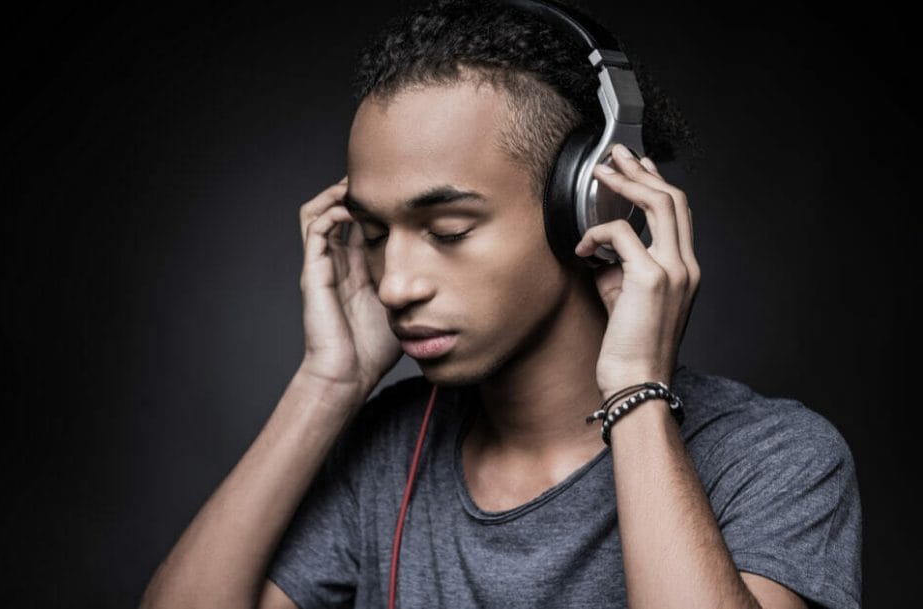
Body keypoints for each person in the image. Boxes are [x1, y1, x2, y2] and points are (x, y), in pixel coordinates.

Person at [138, 1, 862, 608]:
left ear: (590, 204)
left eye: (447, 230)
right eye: (375, 233)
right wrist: (327, 384)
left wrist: (638, 391)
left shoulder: (774, 458)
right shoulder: (384, 454)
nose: (395, 284)